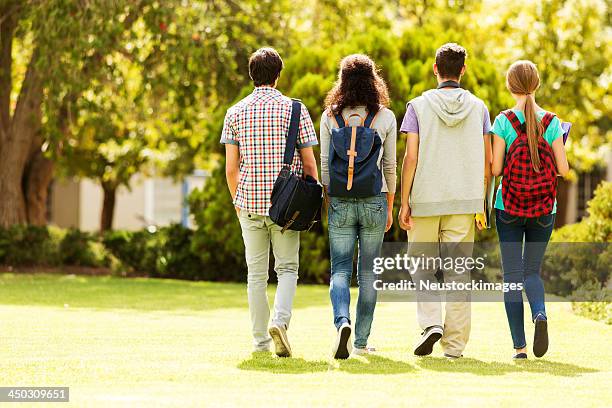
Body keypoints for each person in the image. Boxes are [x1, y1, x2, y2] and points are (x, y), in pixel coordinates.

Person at [221, 47, 319, 357]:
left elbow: (231, 168)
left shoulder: (235, 112)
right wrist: (313, 197)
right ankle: (280, 323)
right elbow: (309, 164)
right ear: (278, 76)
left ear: (252, 75)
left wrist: (239, 204)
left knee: (256, 276)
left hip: (249, 203)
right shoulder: (294, 109)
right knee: (288, 269)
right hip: (287, 207)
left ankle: (260, 342)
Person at [399, 43, 492, 359]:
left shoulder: (417, 107)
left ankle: (430, 325)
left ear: (435, 69)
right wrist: (481, 203)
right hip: (464, 202)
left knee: (421, 266)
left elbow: (410, 158)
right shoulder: (479, 108)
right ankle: (453, 348)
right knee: (458, 272)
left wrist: (404, 202)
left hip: (425, 198)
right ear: (463, 70)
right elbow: (487, 161)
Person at [320, 54, 397, 359]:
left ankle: (342, 323)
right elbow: (390, 166)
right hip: (374, 200)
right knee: (368, 273)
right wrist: (390, 205)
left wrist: (331, 199)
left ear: (342, 81)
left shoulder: (329, 117)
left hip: (341, 200)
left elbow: (326, 165)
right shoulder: (385, 117)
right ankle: (362, 341)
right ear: (372, 80)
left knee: (340, 269)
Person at [491, 60, 569, 360]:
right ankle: (540, 314)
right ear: (536, 85)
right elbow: (562, 168)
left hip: (508, 206)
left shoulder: (503, 122)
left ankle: (520, 348)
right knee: (531, 271)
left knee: (512, 275)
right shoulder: (552, 122)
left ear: (511, 87)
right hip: (544, 209)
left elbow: (497, 168)